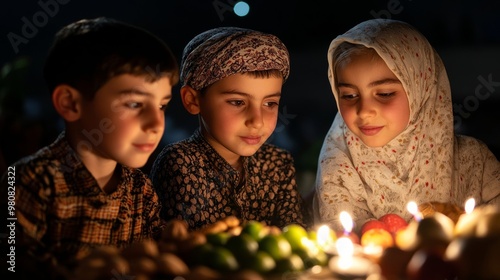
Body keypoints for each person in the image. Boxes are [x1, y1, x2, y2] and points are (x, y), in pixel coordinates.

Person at [0, 17, 179, 277]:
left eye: (162, 105)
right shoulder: (29, 182)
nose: (156, 123)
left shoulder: (141, 190)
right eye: (134, 104)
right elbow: (12, 263)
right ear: (71, 104)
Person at [313, 19, 500, 233]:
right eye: (349, 95)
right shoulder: (339, 163)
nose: (364, 110)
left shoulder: (474, 161)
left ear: (420, 88)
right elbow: (349, 241)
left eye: (384, 94)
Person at [150, 27, 309, 231]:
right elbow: (195, 247)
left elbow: (297, 234)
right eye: (237, 102)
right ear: (193, 100)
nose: (257, 121)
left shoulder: (278, 163)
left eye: (270, 104)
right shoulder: (181, 162)